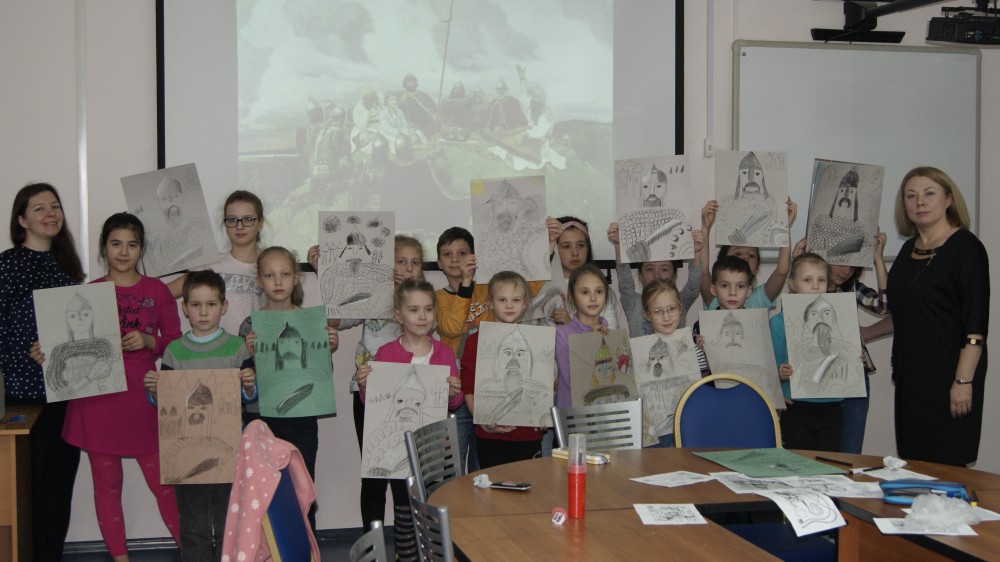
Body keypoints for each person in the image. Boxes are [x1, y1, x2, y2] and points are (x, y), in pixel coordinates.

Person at [60, 213, 182, 560]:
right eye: (116, 244)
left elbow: (176, 343)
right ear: (104, 247)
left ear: (142, 249)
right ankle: (120, 558)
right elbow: (69, 347)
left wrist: (149, 341)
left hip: (143, 397)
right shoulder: (88, 294)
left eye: (132, 244)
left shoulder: (157, 291)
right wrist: (48, 352)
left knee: (165, 485)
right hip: (97, 401)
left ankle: (192, 551)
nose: (124, 252)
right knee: (107, 485)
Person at [873, 167, 989, 466]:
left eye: (929, 194)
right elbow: (906, 313)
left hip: (950, 379)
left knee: (948, 468)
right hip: (911, 380)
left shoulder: (967, 249)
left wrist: (963, 381)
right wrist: (864, 333)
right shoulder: (908, 249)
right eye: (911, 196)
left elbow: (975, 326)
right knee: (915, 465)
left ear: (948, 199)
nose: (919, 202)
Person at [143, 270, 257, 561]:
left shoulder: (236, 348)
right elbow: (165, 406)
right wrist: (155, 390)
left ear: (224, 306)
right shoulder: (174, 351)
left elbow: (250, 398)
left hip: (229, 451)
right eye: (196, 305)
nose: (203, 312)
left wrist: (249, 385)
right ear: (185, 308)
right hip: (185, 453)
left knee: (228, 519)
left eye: (211, 304)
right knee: (193, 523)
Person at [1, 183, 85, 561]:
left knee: (57, 489)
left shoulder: (66, 266)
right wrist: (27, 351)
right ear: (22, 220)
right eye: (39, 208)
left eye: (55, 206)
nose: (51, 213)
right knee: (24, 490)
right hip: (21, 398)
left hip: (64, 394)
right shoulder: (7, 265)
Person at [355, 279, 464, 562]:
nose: (423, 316)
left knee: (429, 513)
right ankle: (405, 557)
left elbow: (453, 405)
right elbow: (374, 405)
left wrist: (454, 393)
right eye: (414, 310)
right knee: (404, 513)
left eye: (428, 309)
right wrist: (365, 387)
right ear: (398, 315)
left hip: (432, 450)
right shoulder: (386, 353)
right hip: (398, 450)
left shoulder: (444, 353)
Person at [239, 246, 339, 530]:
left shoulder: (311, 322)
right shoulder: (250, 326)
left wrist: (328, 350)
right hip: (261, 420)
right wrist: (252, 356)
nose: (278, 281)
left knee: (303, 489)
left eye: (285, 274)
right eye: (269, 275)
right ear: (259, 281)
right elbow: (245, 382)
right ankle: (268, 549)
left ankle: (307, 548)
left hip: (301, 420)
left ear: (296, 278)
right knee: (264, 493)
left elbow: (321, 376)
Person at [460, 271, 545, 468]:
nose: (509, 305)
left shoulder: (537, 341)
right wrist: (483, 419)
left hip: (528, 435)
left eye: (516, 300)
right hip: (490, 435)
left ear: (525, 303)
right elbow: (469, 386)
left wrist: (543, 414)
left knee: (529, 484)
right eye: (502, 299)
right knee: (493, 485)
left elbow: (542, 384)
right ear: (490, 303)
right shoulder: (474, 341)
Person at [770, 252, 844, 452]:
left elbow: (845, 354)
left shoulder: (840, 318)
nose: (815, 286)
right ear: (792, 284)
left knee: (828, 461)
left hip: (832, 405)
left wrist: (855, 360)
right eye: (807, 280)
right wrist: (780, 372)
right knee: (797, 461)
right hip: (796, 405)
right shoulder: (779, 323)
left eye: (821, 280)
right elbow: (772, 366)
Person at [168, 190, 267, 335]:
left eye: (248, 219)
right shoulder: (209, 265)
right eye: (232, 220)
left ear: (260, 223)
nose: (239, 226)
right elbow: (158, 294)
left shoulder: (271, 269)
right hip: (214, 349)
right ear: (225, 224)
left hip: (254, 348)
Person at [827, 229, 888, 454]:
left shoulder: (851, 288)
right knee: (819, 450)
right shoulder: (806, 289)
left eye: (852, 266)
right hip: (818, 379)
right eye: (841, 262)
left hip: (854, 375)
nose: (846, 271)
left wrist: (878, 259)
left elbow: (884, 306)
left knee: (850, 451)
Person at [639, 279, 711, 447]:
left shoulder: (694, 348)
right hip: (656, 434)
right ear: (647, 314)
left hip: (689, 426)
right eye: (658, 311)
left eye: (671, 309)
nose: (666, 317)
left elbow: (705, 383)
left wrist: (708, 353)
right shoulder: (640, 352)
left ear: (680, 308)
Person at [608, 216, 705, 336]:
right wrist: (619, 245)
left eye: (664, 269)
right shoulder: (634, 303)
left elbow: (693, 288)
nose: (657, 275)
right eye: (649, 269)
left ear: (674, 275)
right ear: (640, 274)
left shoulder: (679, 300)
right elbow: (625, 283)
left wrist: (696, 252)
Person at [699, 197, 797, 311]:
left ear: (756, 268)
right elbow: (702, 271)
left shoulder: (759, 298)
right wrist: (705, 227)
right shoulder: (716, 296)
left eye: (751, 255)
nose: (745, 258)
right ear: (723, 261)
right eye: (738, 253)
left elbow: (782, 271)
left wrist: (785, 228)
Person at [554, 263, 610, 410]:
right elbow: (572, 381)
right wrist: (591, 340)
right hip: (573, 415)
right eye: (585, 292)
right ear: (571, 296)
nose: (593, 298)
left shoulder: (611, 335)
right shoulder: (562, 333)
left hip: (603, 414)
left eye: (599, 291)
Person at [551, 217, 619, 328]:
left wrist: (571, 325)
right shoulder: (544, 289)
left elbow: (611, 333)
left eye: (580, 245)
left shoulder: (599, 288)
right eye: (566, 246)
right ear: (554, 249)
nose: (575, 252)